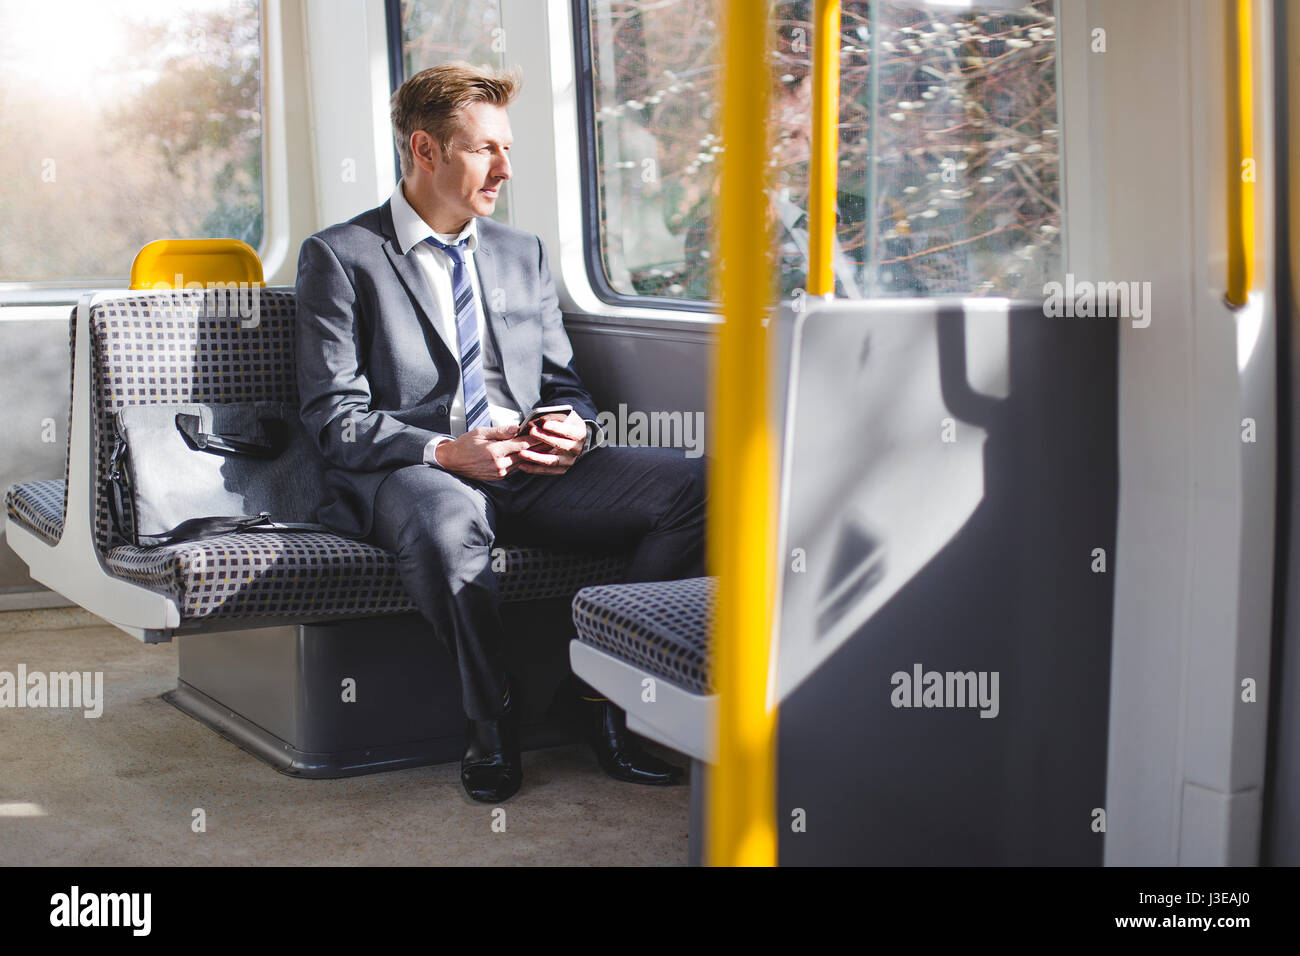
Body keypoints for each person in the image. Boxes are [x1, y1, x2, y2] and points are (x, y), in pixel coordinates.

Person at [294, 62, 706, 803]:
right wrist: (446, 450)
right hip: (420, 472)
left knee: (693, 486)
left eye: (507, 149)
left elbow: (565, 387)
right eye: (487, 149)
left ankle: (600, 699)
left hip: (529, 467)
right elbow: (334, 418)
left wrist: (571, 429)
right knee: (446, 529)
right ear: (426, 151)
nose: (505, 169)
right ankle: (492, 713)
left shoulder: (524, 253)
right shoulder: (341, 257)